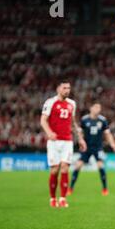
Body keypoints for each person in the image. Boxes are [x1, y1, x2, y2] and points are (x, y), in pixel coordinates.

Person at [40, 80, 87, 208]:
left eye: (69, 88)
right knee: (55, 170)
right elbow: (43, 120)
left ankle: (63, 199)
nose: (67, 90)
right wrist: (49, 132)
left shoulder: (72, 104)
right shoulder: (50, 102)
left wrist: (80, 138)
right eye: (65, 88)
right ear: (58, 89)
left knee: (65, 167)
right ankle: (52, 198)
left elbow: (73, 123)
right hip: (54, 141)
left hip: (67, 140)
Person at [68, 103, 115, 196]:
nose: (98, 109)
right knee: (78, 166)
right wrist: (81, 141)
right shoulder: (84, 119)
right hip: (86, 147)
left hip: (98, 148)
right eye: (95, 107)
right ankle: (70, 188)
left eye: (99, 107)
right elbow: (80, 133)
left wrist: (112, 144)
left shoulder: (102, 120)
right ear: (91, 108)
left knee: (100, 166)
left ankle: (105, 189)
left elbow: (107, 134)